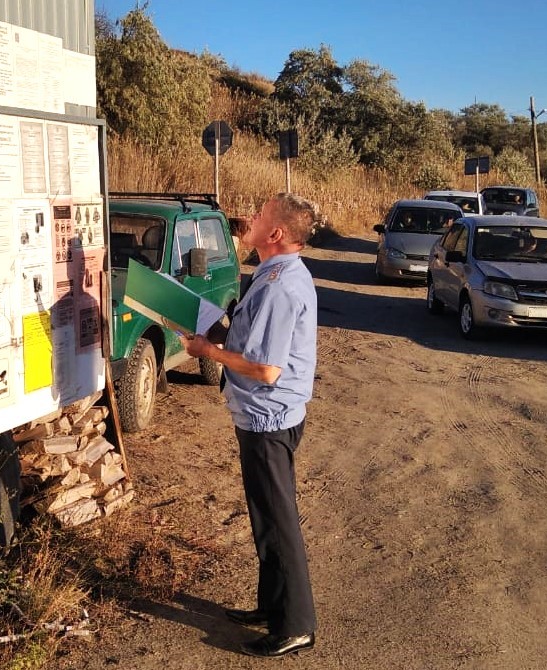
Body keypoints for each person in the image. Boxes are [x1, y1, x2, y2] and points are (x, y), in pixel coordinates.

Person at [182, 193, 319, 658]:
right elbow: (250, 336)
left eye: (259, 216)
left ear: (276, 234)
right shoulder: (273, 275)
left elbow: (265, 369)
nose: (250, 220)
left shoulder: (281, 285)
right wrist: (216, 333)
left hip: (269, 419)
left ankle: (296, 625)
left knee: (279, 523)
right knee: (265, 518)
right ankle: (271, 606)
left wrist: (207, 353)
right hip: (261, 415)